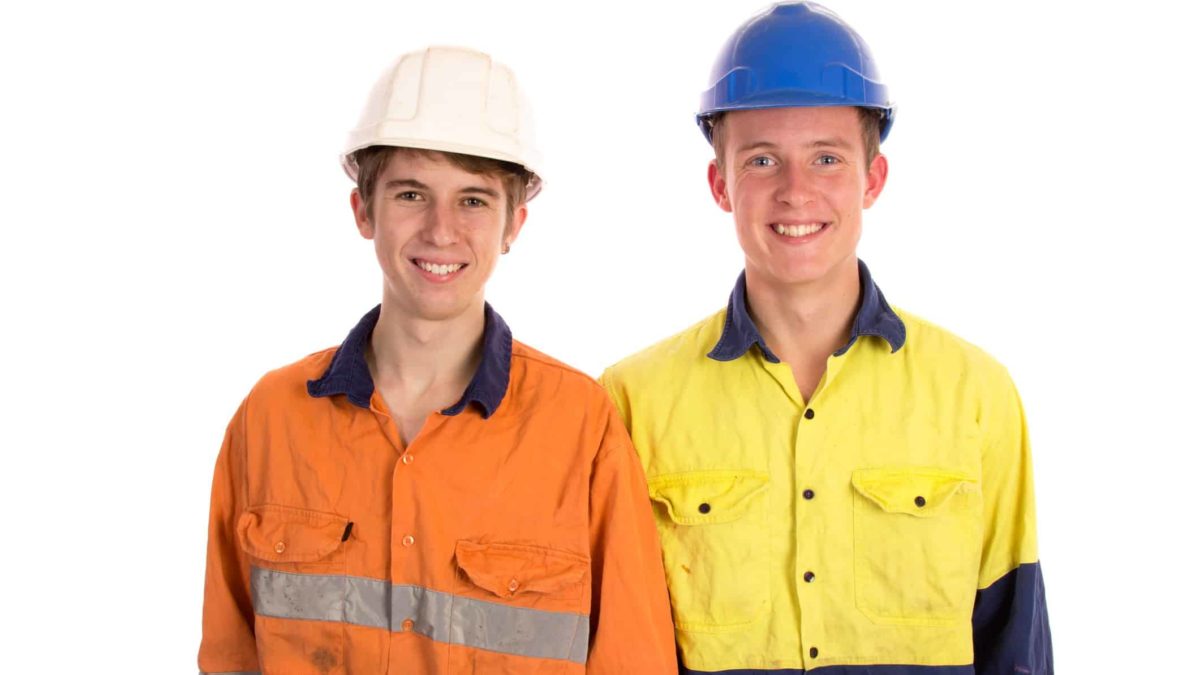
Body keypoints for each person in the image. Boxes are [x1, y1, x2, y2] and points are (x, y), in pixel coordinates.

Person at [600, 3, 1053, 673]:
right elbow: (623, 647)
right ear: (720, 184)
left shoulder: (976, 393)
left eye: (826, 158)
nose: (795, 191)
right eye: (761, 160)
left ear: (873, 179)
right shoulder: (632, 400)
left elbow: (1014, 644)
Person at [199, 46, 676, 674]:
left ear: (514, 226)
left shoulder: (579, 425)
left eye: (474, 200)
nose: (442, 231)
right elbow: (230, 656)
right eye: (411, 195)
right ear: (363, 211)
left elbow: (632, 661)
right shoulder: (270, 418)